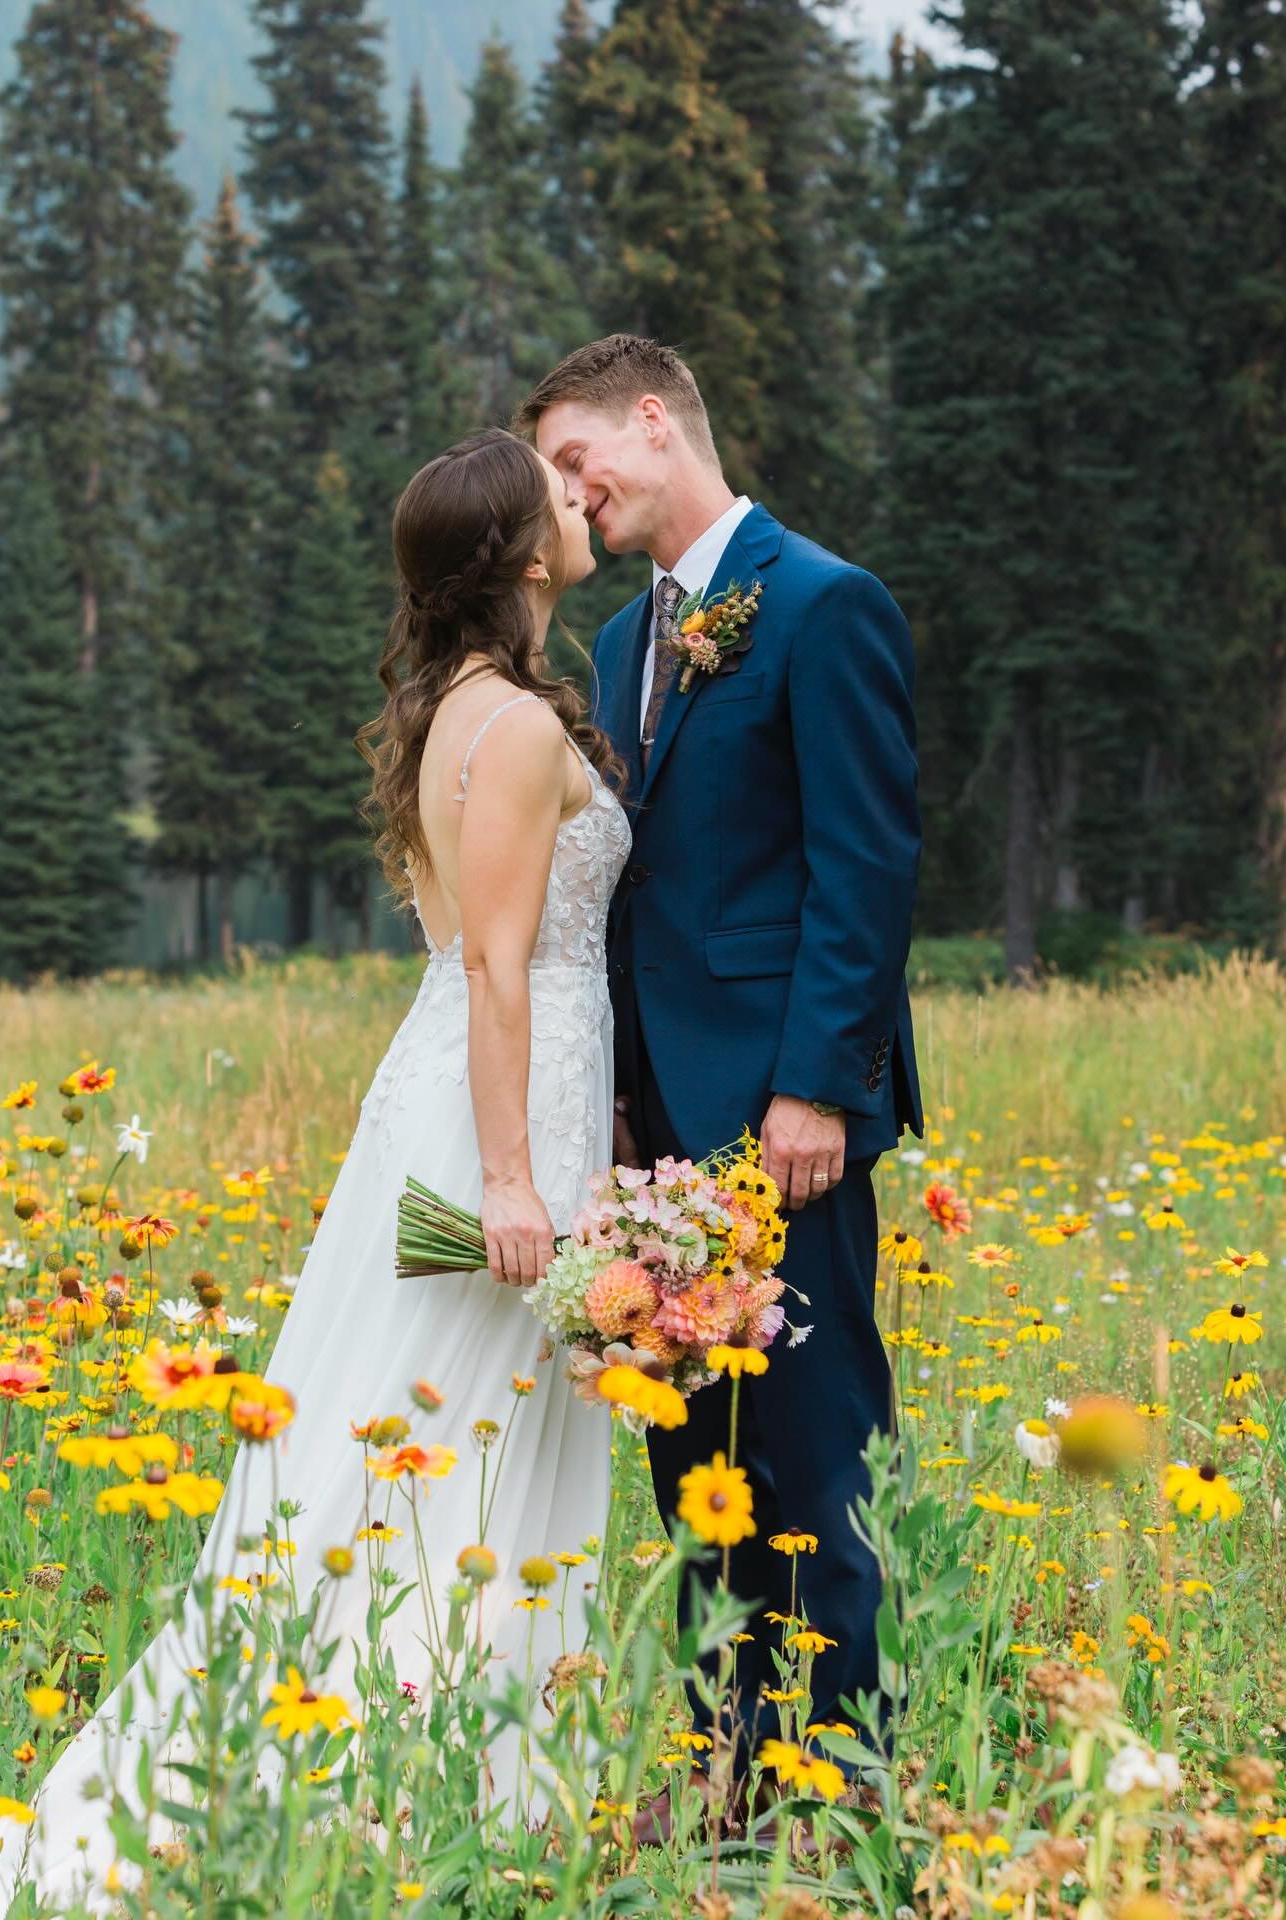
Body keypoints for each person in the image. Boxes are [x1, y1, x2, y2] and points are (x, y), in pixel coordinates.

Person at [0, 428, 631, 1912]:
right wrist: (517, 1180)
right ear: (527, 556)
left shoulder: (459, 709)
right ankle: (407, 1804)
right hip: (494, 1110)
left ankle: (448, 1795)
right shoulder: (522, 729)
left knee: (429, 1449)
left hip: (480, 1094)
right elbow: (492, 966)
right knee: (438, 1451)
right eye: (557, 497)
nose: (579, 500)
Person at [518, 335, 924, 1838]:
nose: (573, 494)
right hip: (659, 1145)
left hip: (784, 1128)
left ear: (651, 419)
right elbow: (628, 899)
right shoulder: (626, 648)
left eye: (579, 459)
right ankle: (738, 1790)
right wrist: (615, 1107)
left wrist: (819, 1086)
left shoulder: (824, 605)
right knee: (701, 1476)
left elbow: (866, 868)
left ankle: (850, 1802)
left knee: (814, 1455)